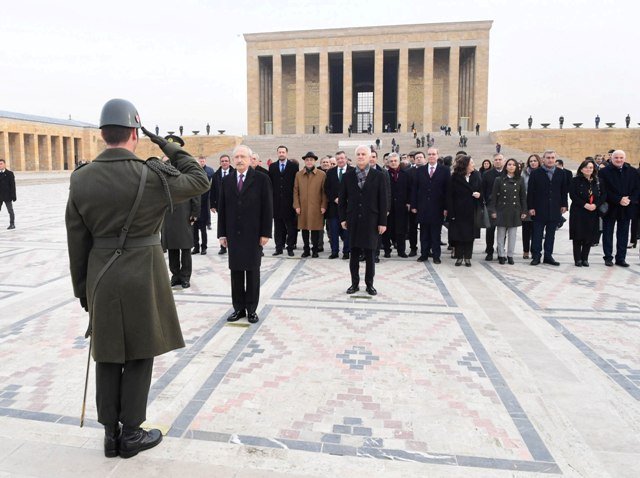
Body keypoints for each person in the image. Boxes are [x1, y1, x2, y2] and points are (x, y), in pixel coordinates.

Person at [65, 98, 210, 458]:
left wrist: (83, 289)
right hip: (144, 272)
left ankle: (110, 434)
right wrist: (165, 144)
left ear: (102, 134)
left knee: (108, 352)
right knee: (141, 351)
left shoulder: (81, 179)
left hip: (102, 273)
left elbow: (76, 240)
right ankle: (132, 433)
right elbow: (198, 179)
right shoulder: (153, 174)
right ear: (135, 133)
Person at [218, 145, 273, 323]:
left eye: (243, 157)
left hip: (253, 234)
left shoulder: (261, 179)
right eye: (237, 157)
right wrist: (222, 234)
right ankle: (238, 308)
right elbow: (223, 209)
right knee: (236, 273)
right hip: (234, 234)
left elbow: (267, 208)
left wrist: (265, 233)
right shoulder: (226, 181)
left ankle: (251, 309)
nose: (239, 160)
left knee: (252, 273)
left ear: (250, 159)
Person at [339, 145, 388, 295]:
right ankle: (354, 284)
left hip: (371, 221)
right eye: (358, 154)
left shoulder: (379, 176)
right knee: (353, 254)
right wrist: (343, 218)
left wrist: (382, 222)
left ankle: (369, 284)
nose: (360, 156)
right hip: (353, 220)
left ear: (369, 157)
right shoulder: (348, 176)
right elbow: (342, 200)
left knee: (370, 254)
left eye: (363, 154)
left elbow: (383, 200)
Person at [527, 150, 568, 265]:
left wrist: (564, 205)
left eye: (552, 157)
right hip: (539, 209)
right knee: (537, 235)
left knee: (551, 235)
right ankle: (536, 256)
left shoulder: (561, 173)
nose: (550, 160)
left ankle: (548, 256)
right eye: (548, 157)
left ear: (555, 159)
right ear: (543, 159)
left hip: (554, 209)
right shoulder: (536, 173)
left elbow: (564, 191)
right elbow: (530, 192)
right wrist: (531, 207)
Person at [599, 150, 639, 266]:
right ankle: (608, 257)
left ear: (624, 158)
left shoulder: (632, 172)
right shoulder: (604, 172)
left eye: (621, 157)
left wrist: (629, 199)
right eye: (616, 157)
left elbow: (637, 188)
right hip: (610, 207)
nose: (619, 160)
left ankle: (621, 258)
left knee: (623, 234)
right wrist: (618, 199)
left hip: (626, 207)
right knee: (607, 233)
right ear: (612, 158)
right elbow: (603, 190)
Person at [411, 147, 450, 263]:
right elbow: (415, 189)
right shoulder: (420, 170)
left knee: (435, 234)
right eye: (429, 154)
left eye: (433, 154)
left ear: (437, 156)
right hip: (423, 207)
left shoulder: (444, 170)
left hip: (438, 207)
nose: (431, 156)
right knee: (424, 233)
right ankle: (424, 254)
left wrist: (446, 207)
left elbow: (447, 190)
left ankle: (436, 256)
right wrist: (414, 205)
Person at [489, 158, 527, 264]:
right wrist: (493, 211)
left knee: (512, 235)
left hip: (515, 210)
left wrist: (524, 211)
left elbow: (523, 197)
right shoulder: (499, 179)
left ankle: (510, 255)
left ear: (516, 167)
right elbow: (494, 197)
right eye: (509, 164)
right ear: (506, 166)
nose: (511, 166)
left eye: (513, 165)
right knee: (501, 234)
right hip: (501, 210)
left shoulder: (520, 179)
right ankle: (501, 255)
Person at [447, 155, 482, 266]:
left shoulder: (476, 175)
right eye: (471, 163)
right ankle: (459, 257)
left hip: (472, 210)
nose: (474, 165)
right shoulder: (454, 177)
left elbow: (482, 190)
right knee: (458, 235)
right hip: (458, 211)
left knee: (469, 235)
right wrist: (451, 212)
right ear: (465, 165)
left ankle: (467, 257)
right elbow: (450, 196)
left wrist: (479, 195)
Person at [569, 159, 604, 267]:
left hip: (592, 211)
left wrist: (595, 205)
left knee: (589, 236)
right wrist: (585, 205)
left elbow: (603, 195)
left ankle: (585, 258)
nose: (588, 169)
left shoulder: (598, 181)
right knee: (578, 235)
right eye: (586, 167)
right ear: (581, 169)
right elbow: (573, 195)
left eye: (591, 167)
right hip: (578, 211)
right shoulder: (575, 180)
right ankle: (578, 259)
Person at [162, 190, 199, 287]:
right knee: (172, 247)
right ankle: (175, 276)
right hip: (168, 214)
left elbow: (195, 192)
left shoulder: (187, 174)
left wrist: (195, 213)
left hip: (185, 214)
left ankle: (185, 277)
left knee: (185, 247)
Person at [293, 152, 327, 258]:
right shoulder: (298, 174)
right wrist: (297, 205)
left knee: (316, 229)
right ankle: (306, 249)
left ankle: (315, 250)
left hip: (316, 206)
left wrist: (323, 205)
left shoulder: (322, 174)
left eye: (311, 160)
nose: (309, 162)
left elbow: (324, 192)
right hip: (303, 207)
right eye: (307, 160)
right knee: (304, 229)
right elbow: (295, 191)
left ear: (315, 161)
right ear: (304, 161)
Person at [268, 145, 299, 256]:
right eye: (279, 152)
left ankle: (290, 247)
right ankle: (278, 248)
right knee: (278, 227)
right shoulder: (272, 166)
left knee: (291, 227)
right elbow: (270, 184)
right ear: (277, 153)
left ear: (286, 153)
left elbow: (296, 184)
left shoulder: (293, 166)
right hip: (276, 203)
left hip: (290, 202)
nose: (281, 154)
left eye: (283, 152)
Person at [325, 151, 352, 259]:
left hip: (347, 207)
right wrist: (334, 198)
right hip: (334, 207)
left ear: (346, 159)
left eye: (342, 158)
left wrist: (347, 199)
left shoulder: (353, 171)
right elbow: (327, 188)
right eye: (338, 159)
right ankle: (334, 251)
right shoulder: (330, 172)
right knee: (333, 231)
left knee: (347, 232)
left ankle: (346, 251)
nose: (340, 160)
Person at [382, 153, 410, 258]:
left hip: (401, 207)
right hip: (388, 207)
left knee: (401, 230)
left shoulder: (405, 174)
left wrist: (408, 202)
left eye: (395, 161)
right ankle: (387, 250)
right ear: (388, 162)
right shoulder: (383, 174)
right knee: (386, 230)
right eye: (391, 161)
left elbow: (409, 190)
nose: (393, 163)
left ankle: (401, 251)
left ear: (399, 162)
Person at [481, 153, 504, 261]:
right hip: (491, 206)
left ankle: (501, 251)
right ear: (493, 161)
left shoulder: (507, 173)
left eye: (500, 159)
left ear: (503, 161)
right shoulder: (487, 174)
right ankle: (489, 251)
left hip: (505, 206)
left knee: (503, 231)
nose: (498, 161)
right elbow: (483, 190)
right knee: (490, 230)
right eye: (496, 159)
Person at [210, 154, 234, 255]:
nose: (224, 163)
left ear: (229, 162)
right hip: (221, 205)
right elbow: (213, 190)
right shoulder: (216, 175)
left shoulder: (235, 173)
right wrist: (212, 205)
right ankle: (223, 246)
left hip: (233, 205)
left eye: (226, 161)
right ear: (220, 163)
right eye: (222, 161)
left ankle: (233, 246)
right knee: (222, 225)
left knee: (233, 225)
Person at [521, 154, 540, 259]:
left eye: (535, 161)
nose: (533, 163)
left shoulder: (542, 172)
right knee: (526, 229)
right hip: (526, 204)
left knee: (536, 230)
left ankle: (534, 250)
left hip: (539, 205)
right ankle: (526, 250)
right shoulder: (524, 173)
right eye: (531, 161)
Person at [192, 154, 213, 254]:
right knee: (194, 229)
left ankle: (204, 247)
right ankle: (196, 247)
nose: (201, 162)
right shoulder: (193, 173)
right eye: (200, 161)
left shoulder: (209, 171)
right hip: (194, 206)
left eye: (203, 160)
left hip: (204, 205)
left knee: (203, 229)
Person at [0, 159, 16, 229]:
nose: (0, 165)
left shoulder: (10, 173)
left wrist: (14, 196)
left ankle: (12, 224)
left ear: (4, 164)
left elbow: (13, 185)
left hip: (7, 196)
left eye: (1, 164)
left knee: (10, 210)